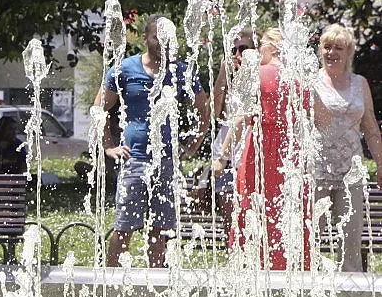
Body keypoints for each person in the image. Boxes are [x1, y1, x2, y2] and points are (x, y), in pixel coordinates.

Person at [98, 15, 210, 268]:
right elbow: (100, 109)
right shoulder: (124, 69)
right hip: (133, 158)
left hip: (167, 161)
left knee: (161, 229)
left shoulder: (181, 72)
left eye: (168, 39)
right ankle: (111, 279)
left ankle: (156, 281)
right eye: (157, 38)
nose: (163, 44)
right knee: (123, 227)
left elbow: (204, 110)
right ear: (146, 38)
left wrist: (195, 139)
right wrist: (108, 146)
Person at [221, 28, 310, 271]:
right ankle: (289, 271)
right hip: (290, 154)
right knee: (286, 213)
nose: (258, 50)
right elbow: (319, 118)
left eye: (261, 44)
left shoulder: (257, 74)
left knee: (252, 209)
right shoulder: (299, 78)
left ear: (271, 47)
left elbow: (240, 118)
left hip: (259, 151)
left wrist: (222, 156)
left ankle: (247, 268)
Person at [313, 24, 382, 272]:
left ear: (348, 52)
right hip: (316, 172)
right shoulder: (311, 82)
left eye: (338, 48)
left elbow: (371, 128)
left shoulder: (359, 83)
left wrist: (381, 165)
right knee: (309, 241)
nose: (331, 52)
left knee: (350, 241)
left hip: (350, 173)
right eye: (326, 47)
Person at [210, 34, 256, 225]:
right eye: (233, 50)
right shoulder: (228, 83)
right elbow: (213, 113)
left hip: (250, 155)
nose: (238, 55)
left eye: (243, 49)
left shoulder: (261, 80)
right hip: (225, 157)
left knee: (251, 219)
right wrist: (222, 73)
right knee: (231, 224)